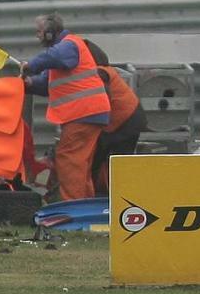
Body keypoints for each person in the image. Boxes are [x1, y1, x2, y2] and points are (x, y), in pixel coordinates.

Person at [21, 14, 110, 201]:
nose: (37, 36)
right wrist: (28, 83)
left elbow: (54, 58)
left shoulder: (69, 45)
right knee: (80, 162)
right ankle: (84, 204)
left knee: (69, 159)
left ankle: (74, 207)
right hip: (89, 113)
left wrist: (31, 65)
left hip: (83, 113)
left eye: (39, 31)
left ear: (49, 33)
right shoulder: (62, 52)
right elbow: (46, 83)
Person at [82, 40, 148, 196]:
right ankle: (117, 194)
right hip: (131, 118)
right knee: (117, 161)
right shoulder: (105, 70)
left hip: (124, 122)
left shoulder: (98, 73)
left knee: (103, 161)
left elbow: (101, 99)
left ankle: (110, 195)